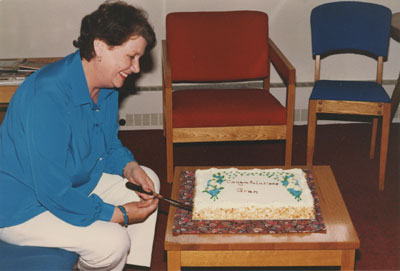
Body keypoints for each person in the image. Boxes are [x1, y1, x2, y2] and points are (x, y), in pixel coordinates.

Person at [0, 1, 160, 270]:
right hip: (24, 207)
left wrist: (128, 166)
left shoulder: (107, 85)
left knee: (149, 182)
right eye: (131, 56)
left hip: (72, 186)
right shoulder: (47, 96)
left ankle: (129, 265)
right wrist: (117, 215)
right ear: (100, 47)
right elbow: (52, 191)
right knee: (113, 241)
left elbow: (106, 146)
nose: (137, 68)